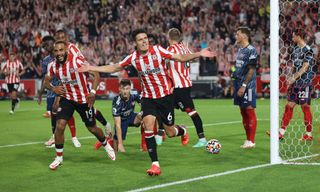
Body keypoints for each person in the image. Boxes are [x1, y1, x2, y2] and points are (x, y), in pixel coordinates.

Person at [78, 29, 216, 176]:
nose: (144, 41)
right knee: (149, 126)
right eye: (140, 39)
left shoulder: (158, 50)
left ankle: (182, 130)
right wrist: (91, 67)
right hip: (148, 98)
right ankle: (155, 164)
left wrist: (198, 54)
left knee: (169, 132)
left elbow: (180, 57)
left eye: (145, 38)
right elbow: (115, 67)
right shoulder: (133, 58)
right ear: (135, 43)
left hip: (165, 97)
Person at [44, 41, 115, 170]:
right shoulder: (52, 66)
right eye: (56, 51)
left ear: (66, 50)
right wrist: (54, 89)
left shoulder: (77, 61)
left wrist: (93, 92)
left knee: (92, 128)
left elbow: (96, 75)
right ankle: (59, 157)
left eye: (61, 50)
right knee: (59, 126)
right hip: (67, 99)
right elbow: (46, 81)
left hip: (83, 99)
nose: (59, 53)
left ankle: (105, 144)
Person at [155, 28, 208, 147]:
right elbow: (193, 59)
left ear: (169, 38)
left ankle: (202, 138)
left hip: (179, 87)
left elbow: (160, 63)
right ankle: (160, 133)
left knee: (191, 112)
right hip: (183, 85)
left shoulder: (170, 49)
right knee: (160, 107)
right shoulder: (185, 48)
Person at [268, 29, 315, 141]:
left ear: (299, 36)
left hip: (304, 83)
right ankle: (280, 132)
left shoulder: (308, 50)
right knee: (289, 106)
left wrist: (293, 78)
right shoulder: (295, 49)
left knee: (305, 108)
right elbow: (295, 67)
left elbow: (305, 68)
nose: (292, 38)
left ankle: (308, 134)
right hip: (295, 83)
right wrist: (291, 79)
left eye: (294, 36)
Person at [37, 36, 81, 148]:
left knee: (67, 112)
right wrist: (41, 92)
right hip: (52, 91)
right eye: (45, 45)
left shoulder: (64, 56)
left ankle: (74, 137)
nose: (47, 47)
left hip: (64, 89)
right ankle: (54, 136)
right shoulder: (46, 60)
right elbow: (45, 78)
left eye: (49, 44)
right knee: (53, 113)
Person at [94, 79, 145, 152]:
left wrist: (143, 113)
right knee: (117, 149)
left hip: (131, 116)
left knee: (145, 116)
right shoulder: (117, 103)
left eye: (127, 89)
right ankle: (107, 142)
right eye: (123, 89)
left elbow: (144, 106)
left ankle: (144, 145)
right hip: (122, 121)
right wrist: (120, 144)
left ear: (130, 89)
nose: (125, 91)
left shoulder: (134, 93)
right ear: (119, 89)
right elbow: (117, 124)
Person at [233, 27, 258, 149]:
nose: (236, 36)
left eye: (238, 34)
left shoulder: (251, 50)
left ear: (244, 36)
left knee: (249, 110)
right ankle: (248, 140)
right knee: (243, 111)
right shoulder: (240, 50)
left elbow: (251, 69)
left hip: (247, 85)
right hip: (238, 83)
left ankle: (251, 140)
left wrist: (243, 85)